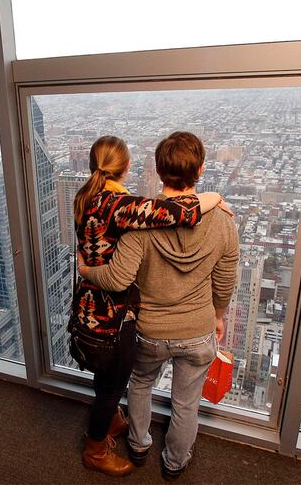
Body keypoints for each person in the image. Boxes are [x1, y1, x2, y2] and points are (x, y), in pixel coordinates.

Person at [80, 132, 239, 479]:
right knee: (186, 402)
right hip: (197, 329)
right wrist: (218, 316)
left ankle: (138, 445)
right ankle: (175, 462)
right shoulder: (224, 220)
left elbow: (119, 277)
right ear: (200, 170)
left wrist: (84, 269)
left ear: (158, 169)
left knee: (140, 384)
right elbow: (225, 279)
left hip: (150, 329)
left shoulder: (141, 221)